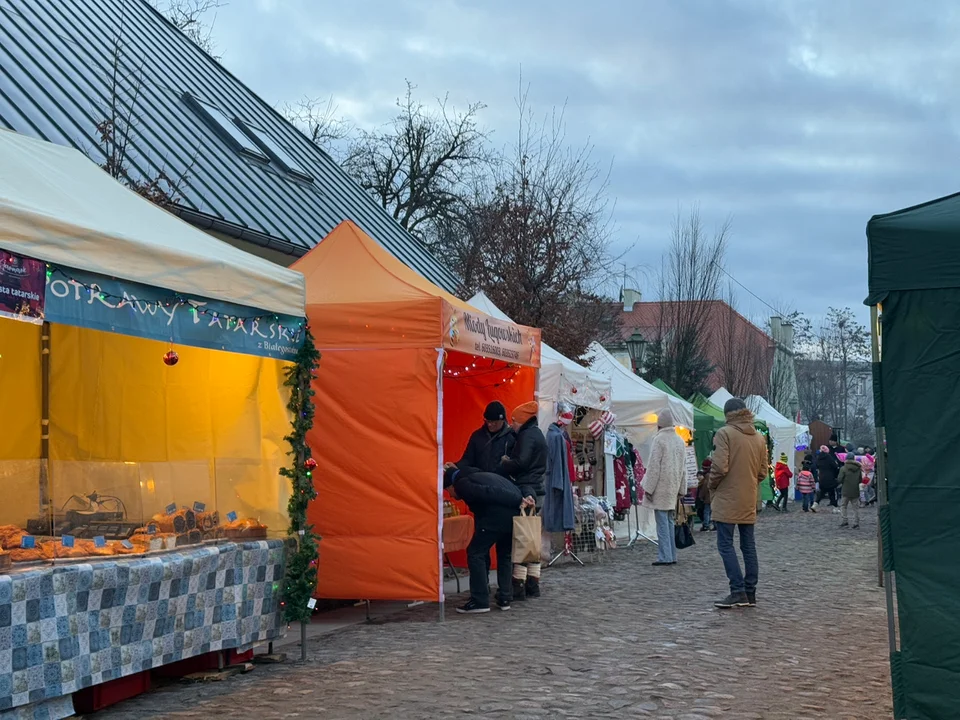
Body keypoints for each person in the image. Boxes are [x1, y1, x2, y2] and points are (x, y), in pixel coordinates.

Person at [708, 397, 768, 609]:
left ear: (727, 416)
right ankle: (750, 592)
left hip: (727, 496)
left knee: (725, 545)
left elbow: (719, 467)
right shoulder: (760, 438)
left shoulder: (724, 434)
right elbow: (762, 472)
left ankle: (737, 590)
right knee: (748, 546)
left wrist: (711, 485)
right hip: (748, 497)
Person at [444, 465, 522, 614]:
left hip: (495, 517)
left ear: (452, 485)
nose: (452, 496)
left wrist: (517, 499)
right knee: (504, 554)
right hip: (512, 517)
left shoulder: (463, 484)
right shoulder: (481, 475)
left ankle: (480, 601)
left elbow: (490, 493)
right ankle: (505, 597)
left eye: (449, 491)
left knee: (475, 552)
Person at [500, 401, 547, 601]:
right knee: (531, 538)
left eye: (514, 420)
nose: (512, 424)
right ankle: (533, 584)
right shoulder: (536, 433)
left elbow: (521, 463)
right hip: (537, 490)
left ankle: (518, 585)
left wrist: (505, 462)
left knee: (521, 538)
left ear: (522, 420)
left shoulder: (528, 436)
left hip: (528, 490)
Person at [640, 409, 687, 566]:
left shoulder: (659, 440)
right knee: (669, 522)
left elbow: (654, 467)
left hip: (660, 487)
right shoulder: (680, 441)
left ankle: (664, 556)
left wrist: (648, 488)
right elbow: (684, 468)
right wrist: (682, 489)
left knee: (661, 524)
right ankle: (672, 555)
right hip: (673, 486)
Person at [541, 403, 576, 536]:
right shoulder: (556, 437)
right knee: (556, 511)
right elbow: (557, 462)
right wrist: (558, 483)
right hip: (557, 477)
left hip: (559, 475)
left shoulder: (554, 435)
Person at [453, 401, 516, 474]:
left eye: (494, 422)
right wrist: (455, 466)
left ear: (502, 420)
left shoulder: (512, 436)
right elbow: (467, 459)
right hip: (480, 478)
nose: (490, 424)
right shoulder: (477, 435)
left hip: (501, 481)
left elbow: (517, 463)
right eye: (487, 421)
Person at [838, 452, 862, 529]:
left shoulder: (843, 468)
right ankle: (856, 523)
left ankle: (845, 521)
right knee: (855, 507)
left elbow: (840, 479)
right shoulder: (858, 468)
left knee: (843, 506)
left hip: (845, 490)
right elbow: (860, 479)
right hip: (855, 490)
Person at [815, 445, 841, 510]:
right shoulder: (829, 457)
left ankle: (814, 505)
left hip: (821, 477)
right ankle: (835, 508)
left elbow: (817, 466)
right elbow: (835, 466)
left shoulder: (818, 458)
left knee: (823, 492)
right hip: (830, 477)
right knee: (832, 492)